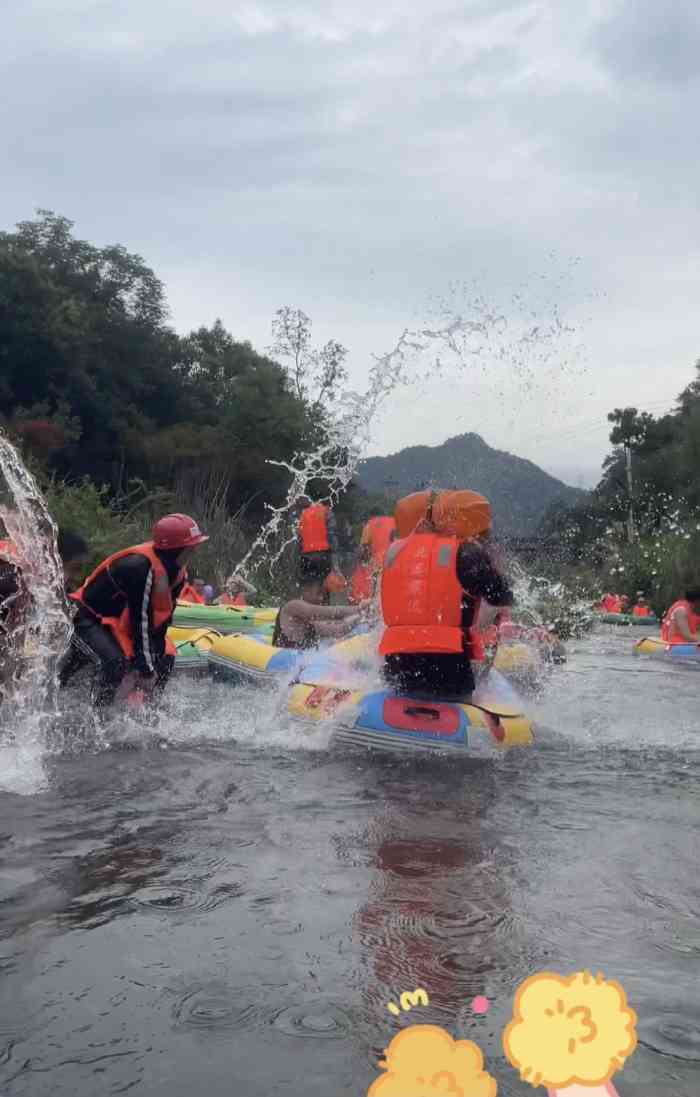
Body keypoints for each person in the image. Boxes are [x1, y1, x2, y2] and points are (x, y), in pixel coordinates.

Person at [58, 513, 208, 712]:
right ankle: (100, 718)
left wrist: (152, 663)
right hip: (86, 616)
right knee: (113, 662)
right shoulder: (139, 567)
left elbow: (162, 618)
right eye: (191, 546)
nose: (195, 550)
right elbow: (141, 619)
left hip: (115, 622)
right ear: (176, 549)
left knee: (166, 655)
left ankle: (149, 712)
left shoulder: (177, 571)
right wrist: (145, 670)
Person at [379, 489, 513, 699]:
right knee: (495, 611)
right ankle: (481, 686)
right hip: (447, 669)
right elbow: (503, 596)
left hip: (396, 665)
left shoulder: (394, 551)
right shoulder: (468, 553)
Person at [272, 572, 360, 650]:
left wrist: (364, 616)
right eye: (318, 593)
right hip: (280, 665)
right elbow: (333, 612)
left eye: (323, 594)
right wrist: (359, 608)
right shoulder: (292, 606)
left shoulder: (312, 624)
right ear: (306, 590)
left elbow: (339, 630)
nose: (321, 598)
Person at [296, 497, 345, 590]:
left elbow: (299, 538)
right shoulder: (326, 512)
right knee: (323, 587)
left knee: (308, 587)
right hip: (323, 556)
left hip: (306, 557)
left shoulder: (303, 513)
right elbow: (332, 537)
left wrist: (299, 556)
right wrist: (335, 565)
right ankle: (323, 603)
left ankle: (307, 603)